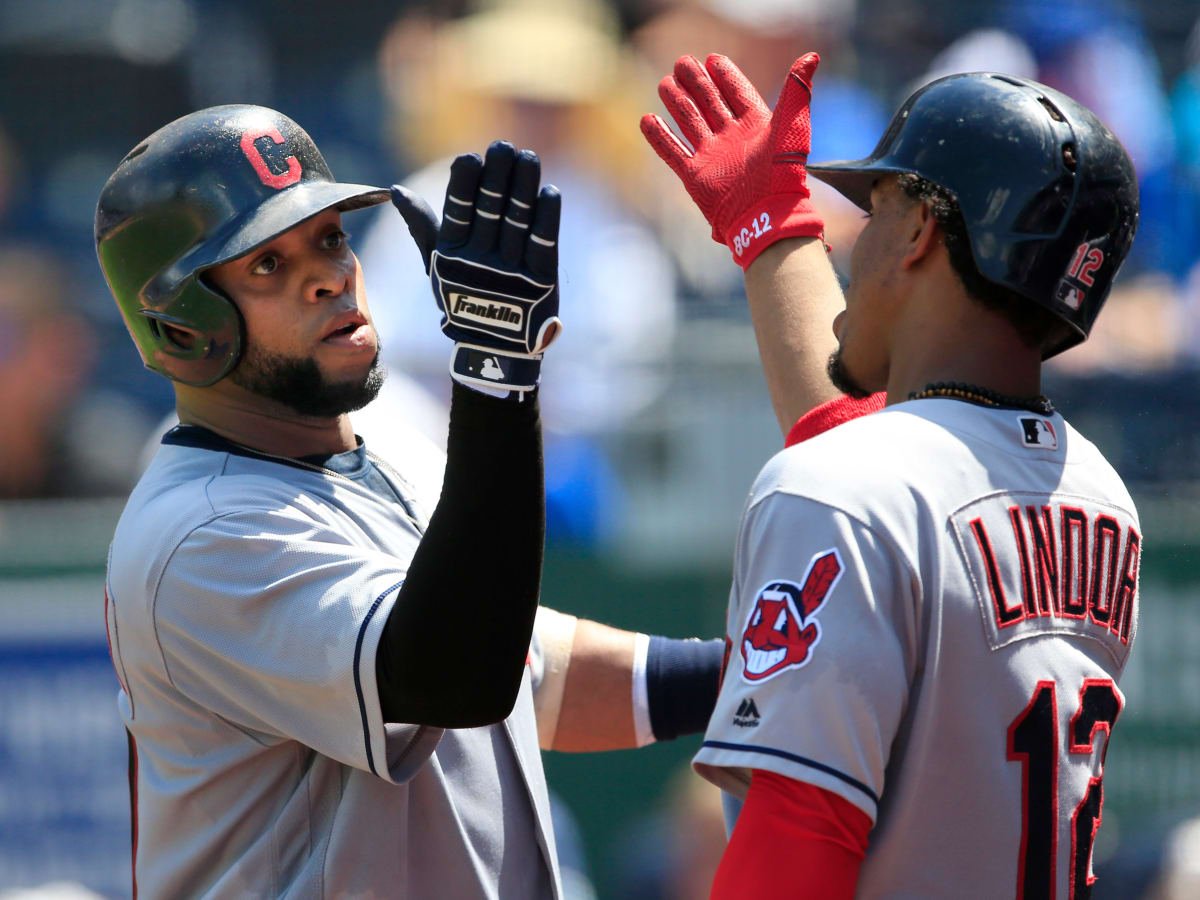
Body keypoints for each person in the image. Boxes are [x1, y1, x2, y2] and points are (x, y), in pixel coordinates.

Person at [95, 104, 746, 897]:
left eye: (330, 237)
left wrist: (751, 678)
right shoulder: (199, 532)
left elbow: (524, 670)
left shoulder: (377, 458)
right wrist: (496, 379)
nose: (330, 274)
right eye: (268, 264)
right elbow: (450, 674)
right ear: (183, 325)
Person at [642, 52, 1141, 896]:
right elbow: (896, 468)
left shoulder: (842, 486)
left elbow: (797, 842)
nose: (856, 239)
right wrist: (773, 235)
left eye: (875, 209)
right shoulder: (1102, 497)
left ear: (917, 232)